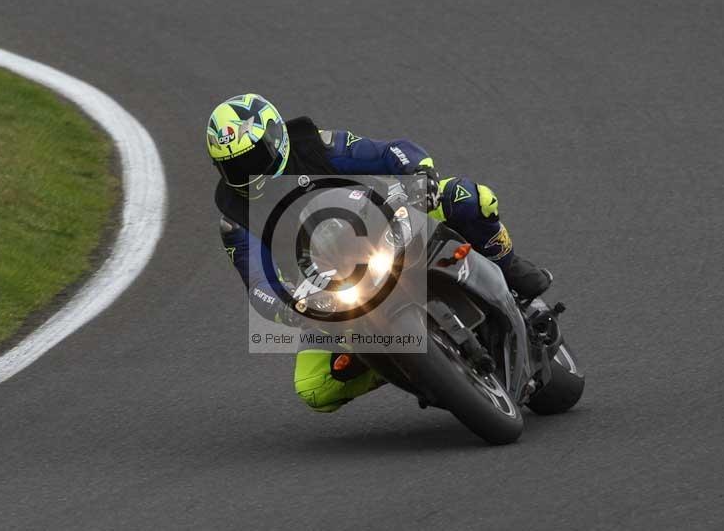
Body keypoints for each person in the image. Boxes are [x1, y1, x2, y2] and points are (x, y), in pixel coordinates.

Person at [210, 93, 551, 412]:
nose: (250, 174)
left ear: (276, 138)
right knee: (314, 387)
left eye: (254, 159)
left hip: (389, 221)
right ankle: (413, 367)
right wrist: (289, 308)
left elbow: (390, 152)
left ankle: (508, 266)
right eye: (235, 168)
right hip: (329, 284)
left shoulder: (312, 144)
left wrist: (420, 173)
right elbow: (257, 283)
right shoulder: (234, 216)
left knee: (469, 197)